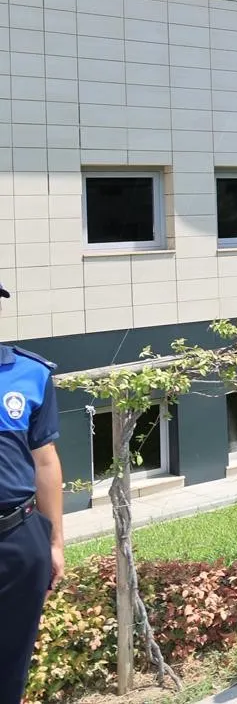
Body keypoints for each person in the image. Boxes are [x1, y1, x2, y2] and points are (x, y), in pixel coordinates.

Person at [0, 281, 65, 704]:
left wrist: (54, 542)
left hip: (19, 538)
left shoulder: (30, 372)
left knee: (11, 662)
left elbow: (45, 462)